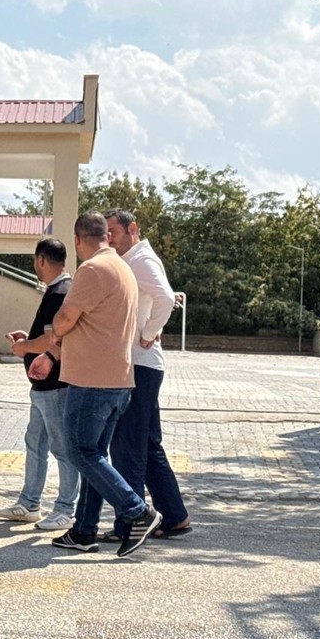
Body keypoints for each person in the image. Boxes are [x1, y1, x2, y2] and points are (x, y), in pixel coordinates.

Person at [29, 212, 161, 557]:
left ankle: (138, 512)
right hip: (119, 379)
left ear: (77, 239)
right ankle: (84, 530)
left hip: (92, 381)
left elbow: (66, 318)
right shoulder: (123, 269)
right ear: (106, 235)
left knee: (80, 452)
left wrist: (54, 333)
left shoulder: (92, 270)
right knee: (95, 454)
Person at [101, 209, 191, 541]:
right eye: (106, 232)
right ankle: (175, 515)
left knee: (127, 446)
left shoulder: (142, 260)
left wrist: (148, 333)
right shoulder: (133, 259)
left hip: (140, 363)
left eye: (113, 231)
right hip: (144, 364)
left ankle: (130, 524)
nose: (109, 237)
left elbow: (167, 298)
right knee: (148, 444)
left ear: (132, 229)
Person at [0, 238, 80, 531]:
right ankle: (29, 503)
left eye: (35, 262)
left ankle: (66, 508)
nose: (35, 267)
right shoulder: (59, 290)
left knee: (61, 448)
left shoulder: (60, 292)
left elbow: (53, 339)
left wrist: (24, 347)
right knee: (36, 443)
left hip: (54, 386)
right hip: (44, 387)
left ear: (41, 260)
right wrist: (28, 340)